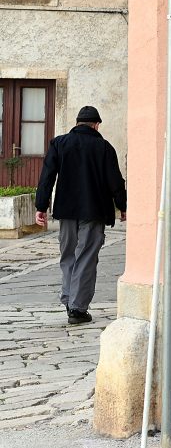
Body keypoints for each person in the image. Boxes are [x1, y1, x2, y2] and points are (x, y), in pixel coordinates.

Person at [35, 106, 127, 326]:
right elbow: (115, 181)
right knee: (86, 257)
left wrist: (41, 206)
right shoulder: (104, 147)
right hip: (94, 211)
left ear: (77, 123)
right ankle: (77, 308)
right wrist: (123, 206)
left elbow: (47, 176)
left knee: (68, 255)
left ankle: (70, 299)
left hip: (66, 211)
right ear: (96, 125)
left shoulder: (59, 143)